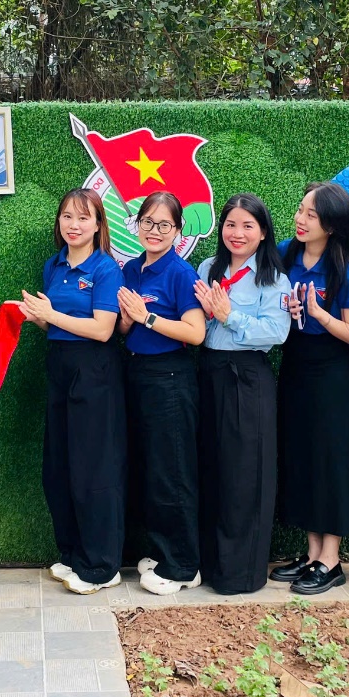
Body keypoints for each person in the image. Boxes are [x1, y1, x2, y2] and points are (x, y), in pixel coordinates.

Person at [19, 189, 126, 595]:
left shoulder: (106, 269)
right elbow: (58, 326)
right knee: (60, 466)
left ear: (98, 224)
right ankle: (74, 555)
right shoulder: (54, 265)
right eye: (67, 216)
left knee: (93, 469)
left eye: (83, 218)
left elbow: (102, 329)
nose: (74, 225)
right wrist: (38, 319)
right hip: (60, 368)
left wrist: (52, 314)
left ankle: (102, 566)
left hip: (95, 372)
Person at [193, 194, 291, 595]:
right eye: (231, 224)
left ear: (263, 232)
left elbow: (277, 332)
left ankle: (241, 573)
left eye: (248, 226)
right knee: (211, 470)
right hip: (208, 374)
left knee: (244, 476)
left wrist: (228, 315)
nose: (238, 233)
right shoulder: (206, 268)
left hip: (247, 379)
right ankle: (210, 565)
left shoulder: (273, 278)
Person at [270, 183, 349, 596]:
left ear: (332, 225)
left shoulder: (345, 272)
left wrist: (319, 313)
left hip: (331, 375)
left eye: (311, 214)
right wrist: (289, 311)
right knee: (304, 457)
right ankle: (310, 554)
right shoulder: (288, 253)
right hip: (295, 367)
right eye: (300, 210)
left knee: (330, 461)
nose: (300, 219)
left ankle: (331, 559)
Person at [116, 192, 208, 596]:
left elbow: (196, 333)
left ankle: (185, 564)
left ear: (178, 231)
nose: (155, 231)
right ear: (137, 225)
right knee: (151, 468)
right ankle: (163, 551)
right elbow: (125, 330)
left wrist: (147, 317)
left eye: (164, 225)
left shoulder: (181, 273)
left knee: (173, 471)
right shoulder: (132, 269)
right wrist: (126, 319)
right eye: (148, 223)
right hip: (137, 373)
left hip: (171, 377)